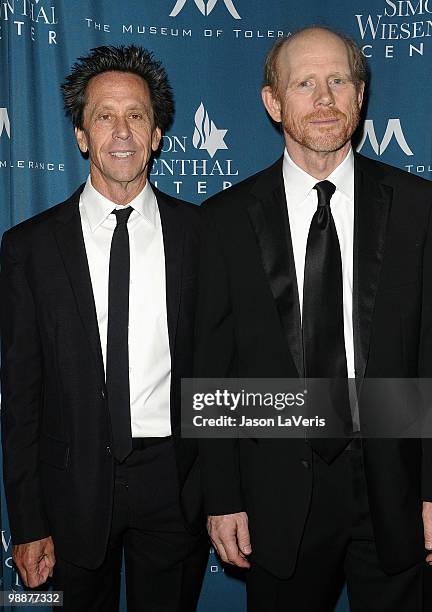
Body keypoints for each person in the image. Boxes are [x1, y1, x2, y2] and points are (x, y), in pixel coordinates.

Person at [194, 26, 432, 611]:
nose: (324, 99)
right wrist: (222, 496)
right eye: (304, 84)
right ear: (273, 102)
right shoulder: (223, 220)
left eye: (338, 81)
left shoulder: (418, 208)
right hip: (277, 488)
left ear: (360, 94)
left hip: (394, 481)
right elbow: (211, 365)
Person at [1, 45, 208, 611]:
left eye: (137, 115)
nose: (122, 130)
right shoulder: (29, 249)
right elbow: (20, 398)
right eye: (104, 115)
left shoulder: (201, 236)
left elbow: (223, 365)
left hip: (176, 485)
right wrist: (27, 520)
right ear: (81, 135)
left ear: (158, 134)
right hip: (71, 489)